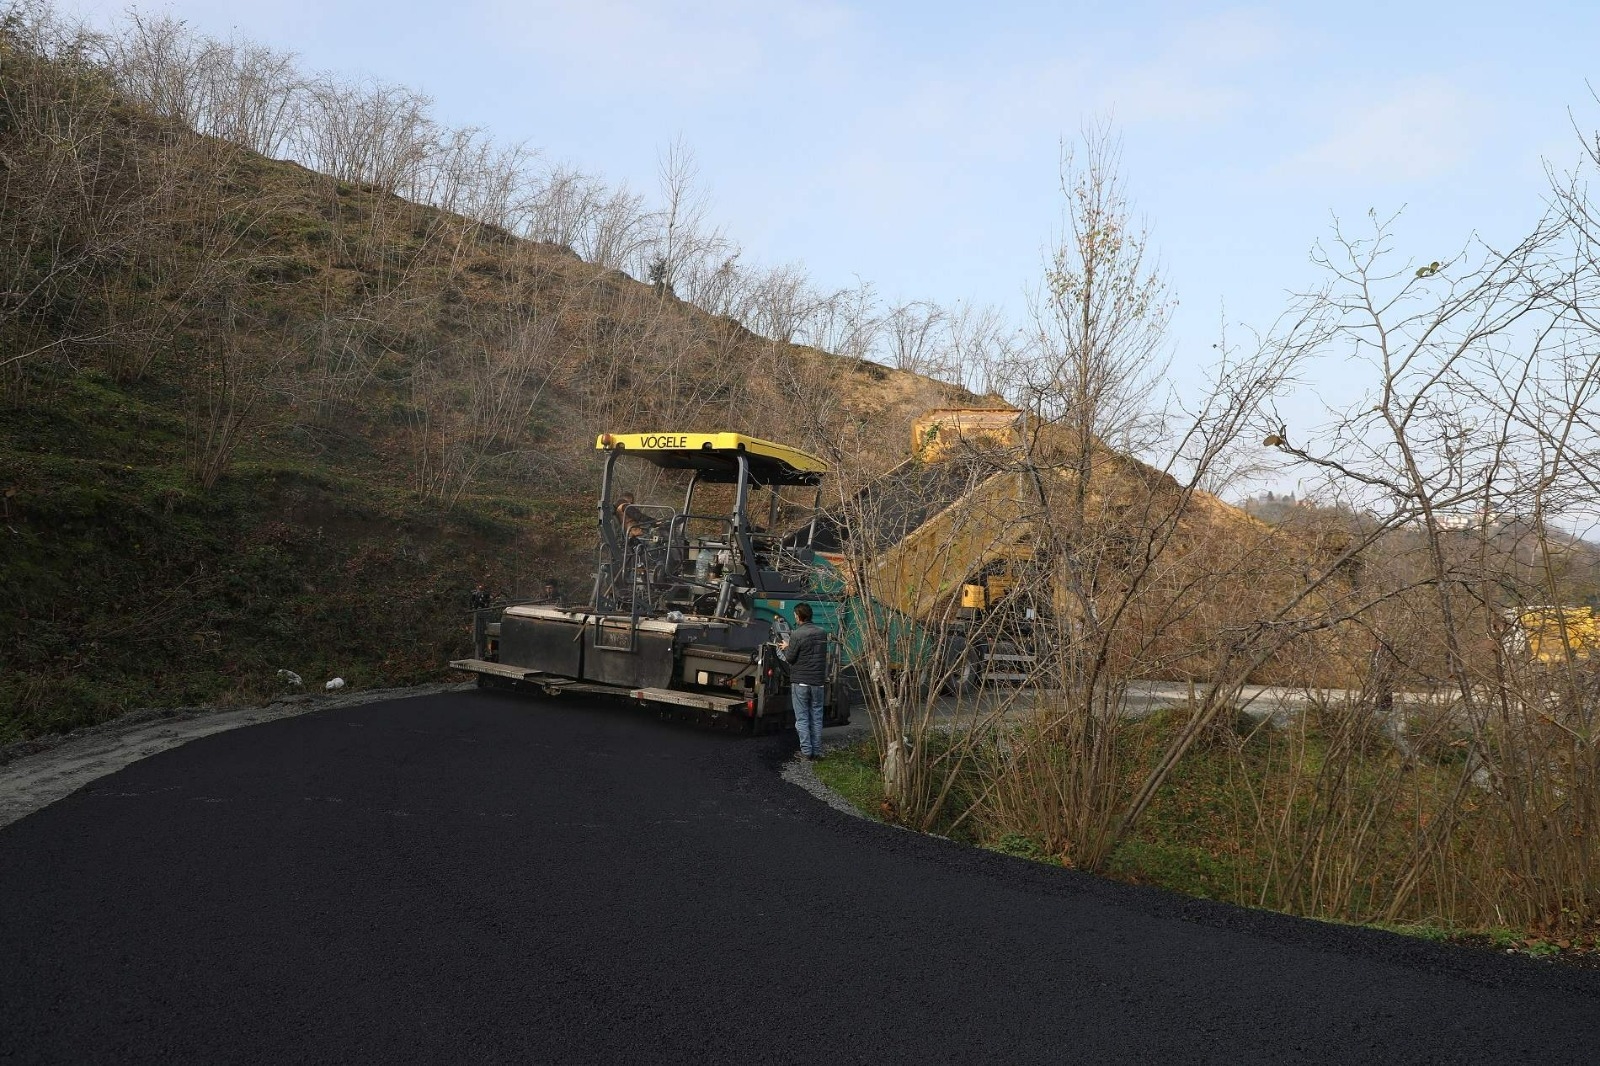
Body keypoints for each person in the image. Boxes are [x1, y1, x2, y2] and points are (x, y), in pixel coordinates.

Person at [780, 602, 829, 761]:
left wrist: (787, 646)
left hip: (801, 682)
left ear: (798, 616)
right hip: (818, 683)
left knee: (802, 717)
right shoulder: (822, 633)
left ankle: (806, 752)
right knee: (816, 717)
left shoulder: (797, 634)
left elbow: (790, 658)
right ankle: (817, 751)